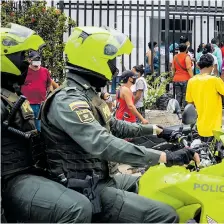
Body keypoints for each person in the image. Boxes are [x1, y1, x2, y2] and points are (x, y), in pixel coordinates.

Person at [40, 26, 199, 223]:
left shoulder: (87, 94)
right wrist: (165, 156)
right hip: (84, 186)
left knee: (160, 184)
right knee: (165, 215)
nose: (115, 68)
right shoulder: (68, 101)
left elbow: (114, 125)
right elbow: (103, 143)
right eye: (111, 61)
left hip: (103, 177)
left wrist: (157, 130)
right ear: (94, 60)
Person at [1, 23, 92, 223]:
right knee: (77, 208)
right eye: (21, 57)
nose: (27, 63)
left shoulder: (11, 96)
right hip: (12, 180)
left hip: (31, 172)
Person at [186, 54, 224, 141]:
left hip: (200, 126)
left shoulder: (191, 81)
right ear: (212, 66)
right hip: (214, 127)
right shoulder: (215, 80)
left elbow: (190, 103)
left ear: (198, 65)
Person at [20, 50, 53, 131]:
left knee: (40, 128)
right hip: (27, 106)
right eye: (34, 60)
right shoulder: (24, 71)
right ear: (29, 60)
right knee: (28, 128)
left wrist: (49, 96)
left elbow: (49, 84)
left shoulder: (45, 71)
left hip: (41, 104)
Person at [172, 43, 194, 109]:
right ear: (186, 49)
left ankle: (177, 108)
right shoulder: (187, 57)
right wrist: (192, 77)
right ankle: (185, 108)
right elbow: (188, 68)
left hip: (176, 78)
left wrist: (173, 75)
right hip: (185, 78)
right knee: (185, 94)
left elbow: (173, 68)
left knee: (178, 95)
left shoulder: (175, 57)